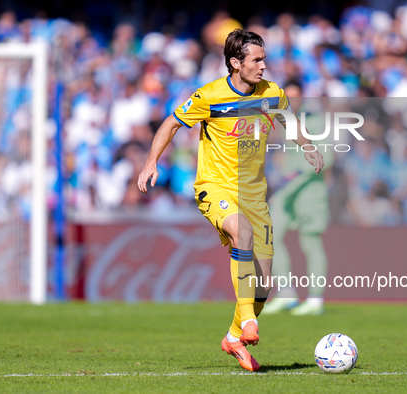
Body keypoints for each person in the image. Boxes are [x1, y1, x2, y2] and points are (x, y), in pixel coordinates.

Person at [137, 29, 324, 372]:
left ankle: (235, 336)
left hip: (255, 195)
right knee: (242, 233)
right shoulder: (210, 96)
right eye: (256, 59)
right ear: (236, 63)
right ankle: (250, 322)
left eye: (264, 58)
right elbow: (171, 124)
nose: (263, 65)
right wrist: (151, 163)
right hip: (216, 187)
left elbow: (290, 123)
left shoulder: (273, 93)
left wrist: (308, 147)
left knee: (265, 284)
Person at [263, 81, 333, 316]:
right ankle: (286, 294)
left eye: (295, 97)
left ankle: (315, 299)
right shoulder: (285, 122)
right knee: (270, 236)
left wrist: (297, 176)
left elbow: (328, 158)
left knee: (310, 243)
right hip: (287, 190)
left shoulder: (315, 121)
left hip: (309, 190)